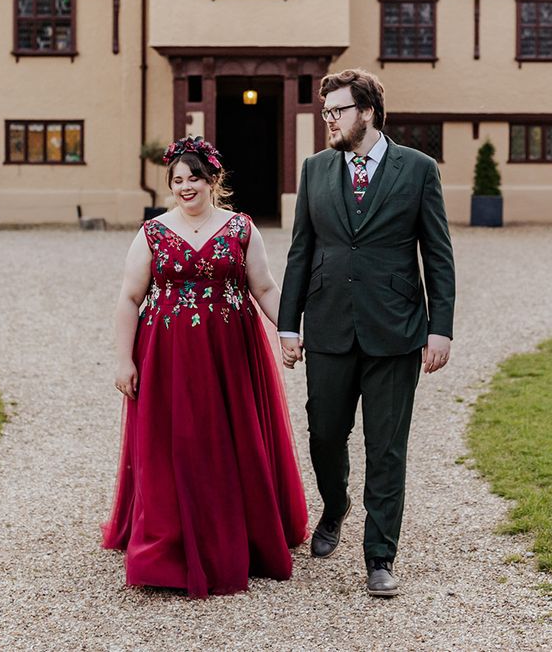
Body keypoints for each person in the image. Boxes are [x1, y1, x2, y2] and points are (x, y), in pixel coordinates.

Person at [102, 135, 307, 598]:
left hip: (230, 354)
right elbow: (130, 298)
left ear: (213, 179)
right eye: (177, 179)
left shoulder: (241, 228)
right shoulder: (152, 232)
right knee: (174, 441)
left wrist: (290, 331)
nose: (185, 186)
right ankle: (165, 544)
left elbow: (266, 288)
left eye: (194, 177)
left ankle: (243, 533)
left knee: (229, 438)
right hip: (167, 356)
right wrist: (122, 360)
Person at [278, 69, 455, 598]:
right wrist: (290, 324)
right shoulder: (314, 170)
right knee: (325, 434)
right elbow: (300, 250)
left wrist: (439, 328)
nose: (328, 119)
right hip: (329, 324)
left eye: (337, 110)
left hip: (396, 330)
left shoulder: (418, 169)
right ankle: (335, 506)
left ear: (368, 112)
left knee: (387, 449)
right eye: (326, 111)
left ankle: (380, 555)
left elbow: (438, 254)